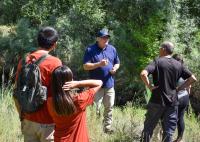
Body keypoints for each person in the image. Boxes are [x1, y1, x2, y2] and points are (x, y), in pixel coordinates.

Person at [140, 41, 196, 142]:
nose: (159, 50)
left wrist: (149, 86)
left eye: (160, 48)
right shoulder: (178, 64)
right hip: (172, 103)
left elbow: (143, 74)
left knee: (148, 128)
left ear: (163, 49)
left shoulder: (157, 61)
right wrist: (179, 88)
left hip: (157, 101)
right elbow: (193, 79)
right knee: (169, 132)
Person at [14, 27, 62, 142]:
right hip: (48, 121)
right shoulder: (55, 62)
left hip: (28, 119)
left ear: (38, 41)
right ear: (54, 44)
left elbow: (16, 91)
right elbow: (60, 95)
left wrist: (22, 115)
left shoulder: (24, 60)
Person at [47, 65, 102, 142]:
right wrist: (78, 83)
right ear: (70, 82)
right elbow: (99, 83)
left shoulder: (50, 102)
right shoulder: (79, 100)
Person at [83, 28, 120, 133]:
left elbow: (117, 62)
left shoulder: (112, 49)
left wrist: (115, 68)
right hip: (96, 87)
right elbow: (85, 66)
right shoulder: (90, 50)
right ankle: (94, 128)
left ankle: (107, 128)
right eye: (104, 37)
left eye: (107, 37)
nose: (106, 39)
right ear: (98, 38)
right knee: (96, 108)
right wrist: (99, 64)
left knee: (109, 107)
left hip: (109, 84)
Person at [172, 54, 190, 142]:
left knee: (169, 117)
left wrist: (178, 89)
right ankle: (179, 138)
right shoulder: (185, 69)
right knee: (180, 118)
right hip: (185, 96)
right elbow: (189, 85)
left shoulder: (173, 70)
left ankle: (166, 137)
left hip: (176, 97)